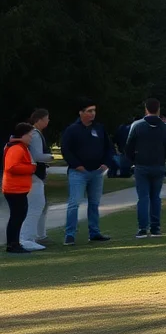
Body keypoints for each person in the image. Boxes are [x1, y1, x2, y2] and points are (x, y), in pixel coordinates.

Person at [59, 99, 114, 245]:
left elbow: (109, 148)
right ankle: (70, 234)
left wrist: (106, 163)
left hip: (97, 172)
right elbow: (66, 149)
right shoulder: (72, 129)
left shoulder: (99, 128)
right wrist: (76, 165)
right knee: (74, 203)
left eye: (94, 111)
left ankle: (94, 232)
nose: (92, 114)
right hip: (78, 173)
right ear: (81, 112)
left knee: (94, 203)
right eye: (89, 111)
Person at [125, 99, 166, 238]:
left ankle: (142, 228)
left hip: (142, 165)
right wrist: (164, 158)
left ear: (146, 109)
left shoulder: (138, 125)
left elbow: (129, 147)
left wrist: (134, 160)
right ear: (158, 109)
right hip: (158, 165)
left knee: (143, 197)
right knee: (155, 197)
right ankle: (155, 227)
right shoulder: (164, 127)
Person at [19, 109, 53, 251]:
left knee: (40, 205)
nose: (48, 121)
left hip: (33, 176)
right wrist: (50, 157)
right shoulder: (36, 134)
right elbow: (37, 155)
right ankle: (26, 238)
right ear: (39, 120)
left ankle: (35, 236)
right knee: (35, 206)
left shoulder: (33, 133)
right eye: (47, 118)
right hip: (34, 176)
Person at [4, 123, 38, 254]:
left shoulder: (19, 147)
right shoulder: (17, 148)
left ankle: (14, 243)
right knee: (17, 217)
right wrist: (31, 168)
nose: (31, 138)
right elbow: (11, 167)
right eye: (30, 135)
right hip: (14, 189)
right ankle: (13, 244)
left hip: (17, 188)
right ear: (23, 135)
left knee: (18, 216)